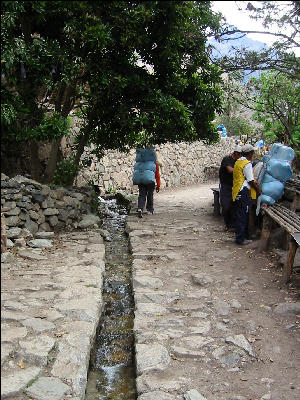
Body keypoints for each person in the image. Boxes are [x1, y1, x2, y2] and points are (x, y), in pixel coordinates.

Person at [232, 144, 261, 245]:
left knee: (239, 214)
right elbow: (250, 181)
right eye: (252, 153)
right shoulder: (247, 163)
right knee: (243, 215)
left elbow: (242, 176)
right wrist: (257, 189)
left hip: (236, 191)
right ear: (250, 153)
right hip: (243, 191)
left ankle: (240, 236)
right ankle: (240, 239)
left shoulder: (238, 162)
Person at [219, 145, 242, 231]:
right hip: (226, 185)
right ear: (236, 153)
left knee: (234, 206)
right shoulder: (227, 159)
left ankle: (232, 225)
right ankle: (227, 224)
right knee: (226, 205)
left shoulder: (238, 161)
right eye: (239, 154)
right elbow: (230, 170)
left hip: (234, 186)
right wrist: (241, 169)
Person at [132, 147, 161, 218]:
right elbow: (157, 175)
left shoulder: (140, 163)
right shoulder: (154, 163)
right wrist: (158, 185)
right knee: (150, 194)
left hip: (141, 180)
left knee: (142, 194)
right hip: (150, 181)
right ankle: (150, 210)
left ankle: (140, 208)